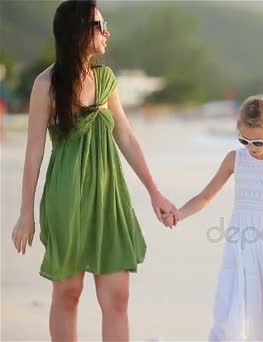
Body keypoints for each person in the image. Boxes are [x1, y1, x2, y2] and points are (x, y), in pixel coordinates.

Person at [10, 1, 178, 340]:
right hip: (67, 196)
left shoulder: (105, 79)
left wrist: (154, 191)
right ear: (78, 32)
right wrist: (26, 213)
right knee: (68, 295)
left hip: (108, 197)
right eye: (100, 25)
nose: (107, 32)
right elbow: (33, 153)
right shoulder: (46, 85)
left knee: (117, 297)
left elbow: (126, 137)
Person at [166, 96, 263, 341]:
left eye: (258, 141)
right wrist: (179, 213)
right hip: (239, 245)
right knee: (230, 307)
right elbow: (206, 196)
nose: (251, 146)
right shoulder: (235, 158)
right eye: (244, 140)